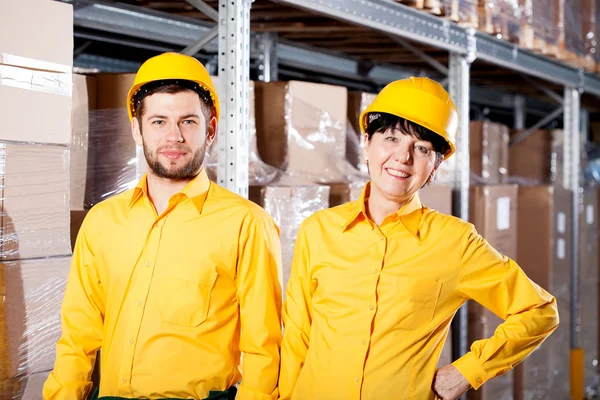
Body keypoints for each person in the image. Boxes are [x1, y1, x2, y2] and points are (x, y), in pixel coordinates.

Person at [278, 77, 559, 400]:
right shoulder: (319, 229)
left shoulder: (455, 241)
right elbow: (297, 336)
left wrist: (466, 372)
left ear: (436, 165)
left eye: (421, 148)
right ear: (367, 143)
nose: (403, 156)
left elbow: (539, 311)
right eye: (391, 138)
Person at [43, 52, 283, 400]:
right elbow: (77, 337)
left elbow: (265, 351)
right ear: (137, 131)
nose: (174, 137)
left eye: (188, 121)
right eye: (158, 122)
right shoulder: (102, 222)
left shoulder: (247, 225)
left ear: (211, 130)